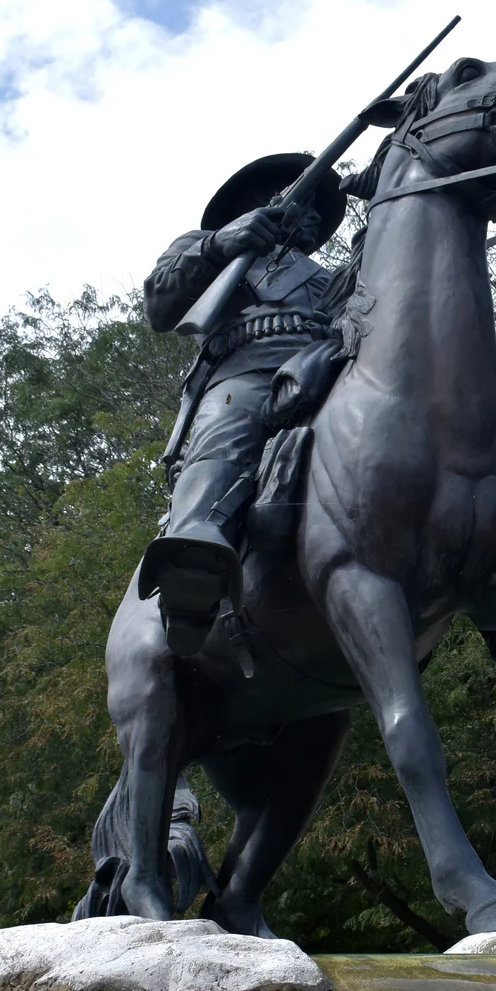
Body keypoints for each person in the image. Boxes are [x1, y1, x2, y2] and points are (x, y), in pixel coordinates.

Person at [138, 154, 346, 655]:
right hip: (249, 373)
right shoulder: (204, 247)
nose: (317, 214)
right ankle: (195, 552)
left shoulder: (330, 275)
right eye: (306, 200)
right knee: (230, 429)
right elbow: (159, 306)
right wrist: (220, 245)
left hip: (331, 374)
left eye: (322, 206)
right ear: (265, 201)